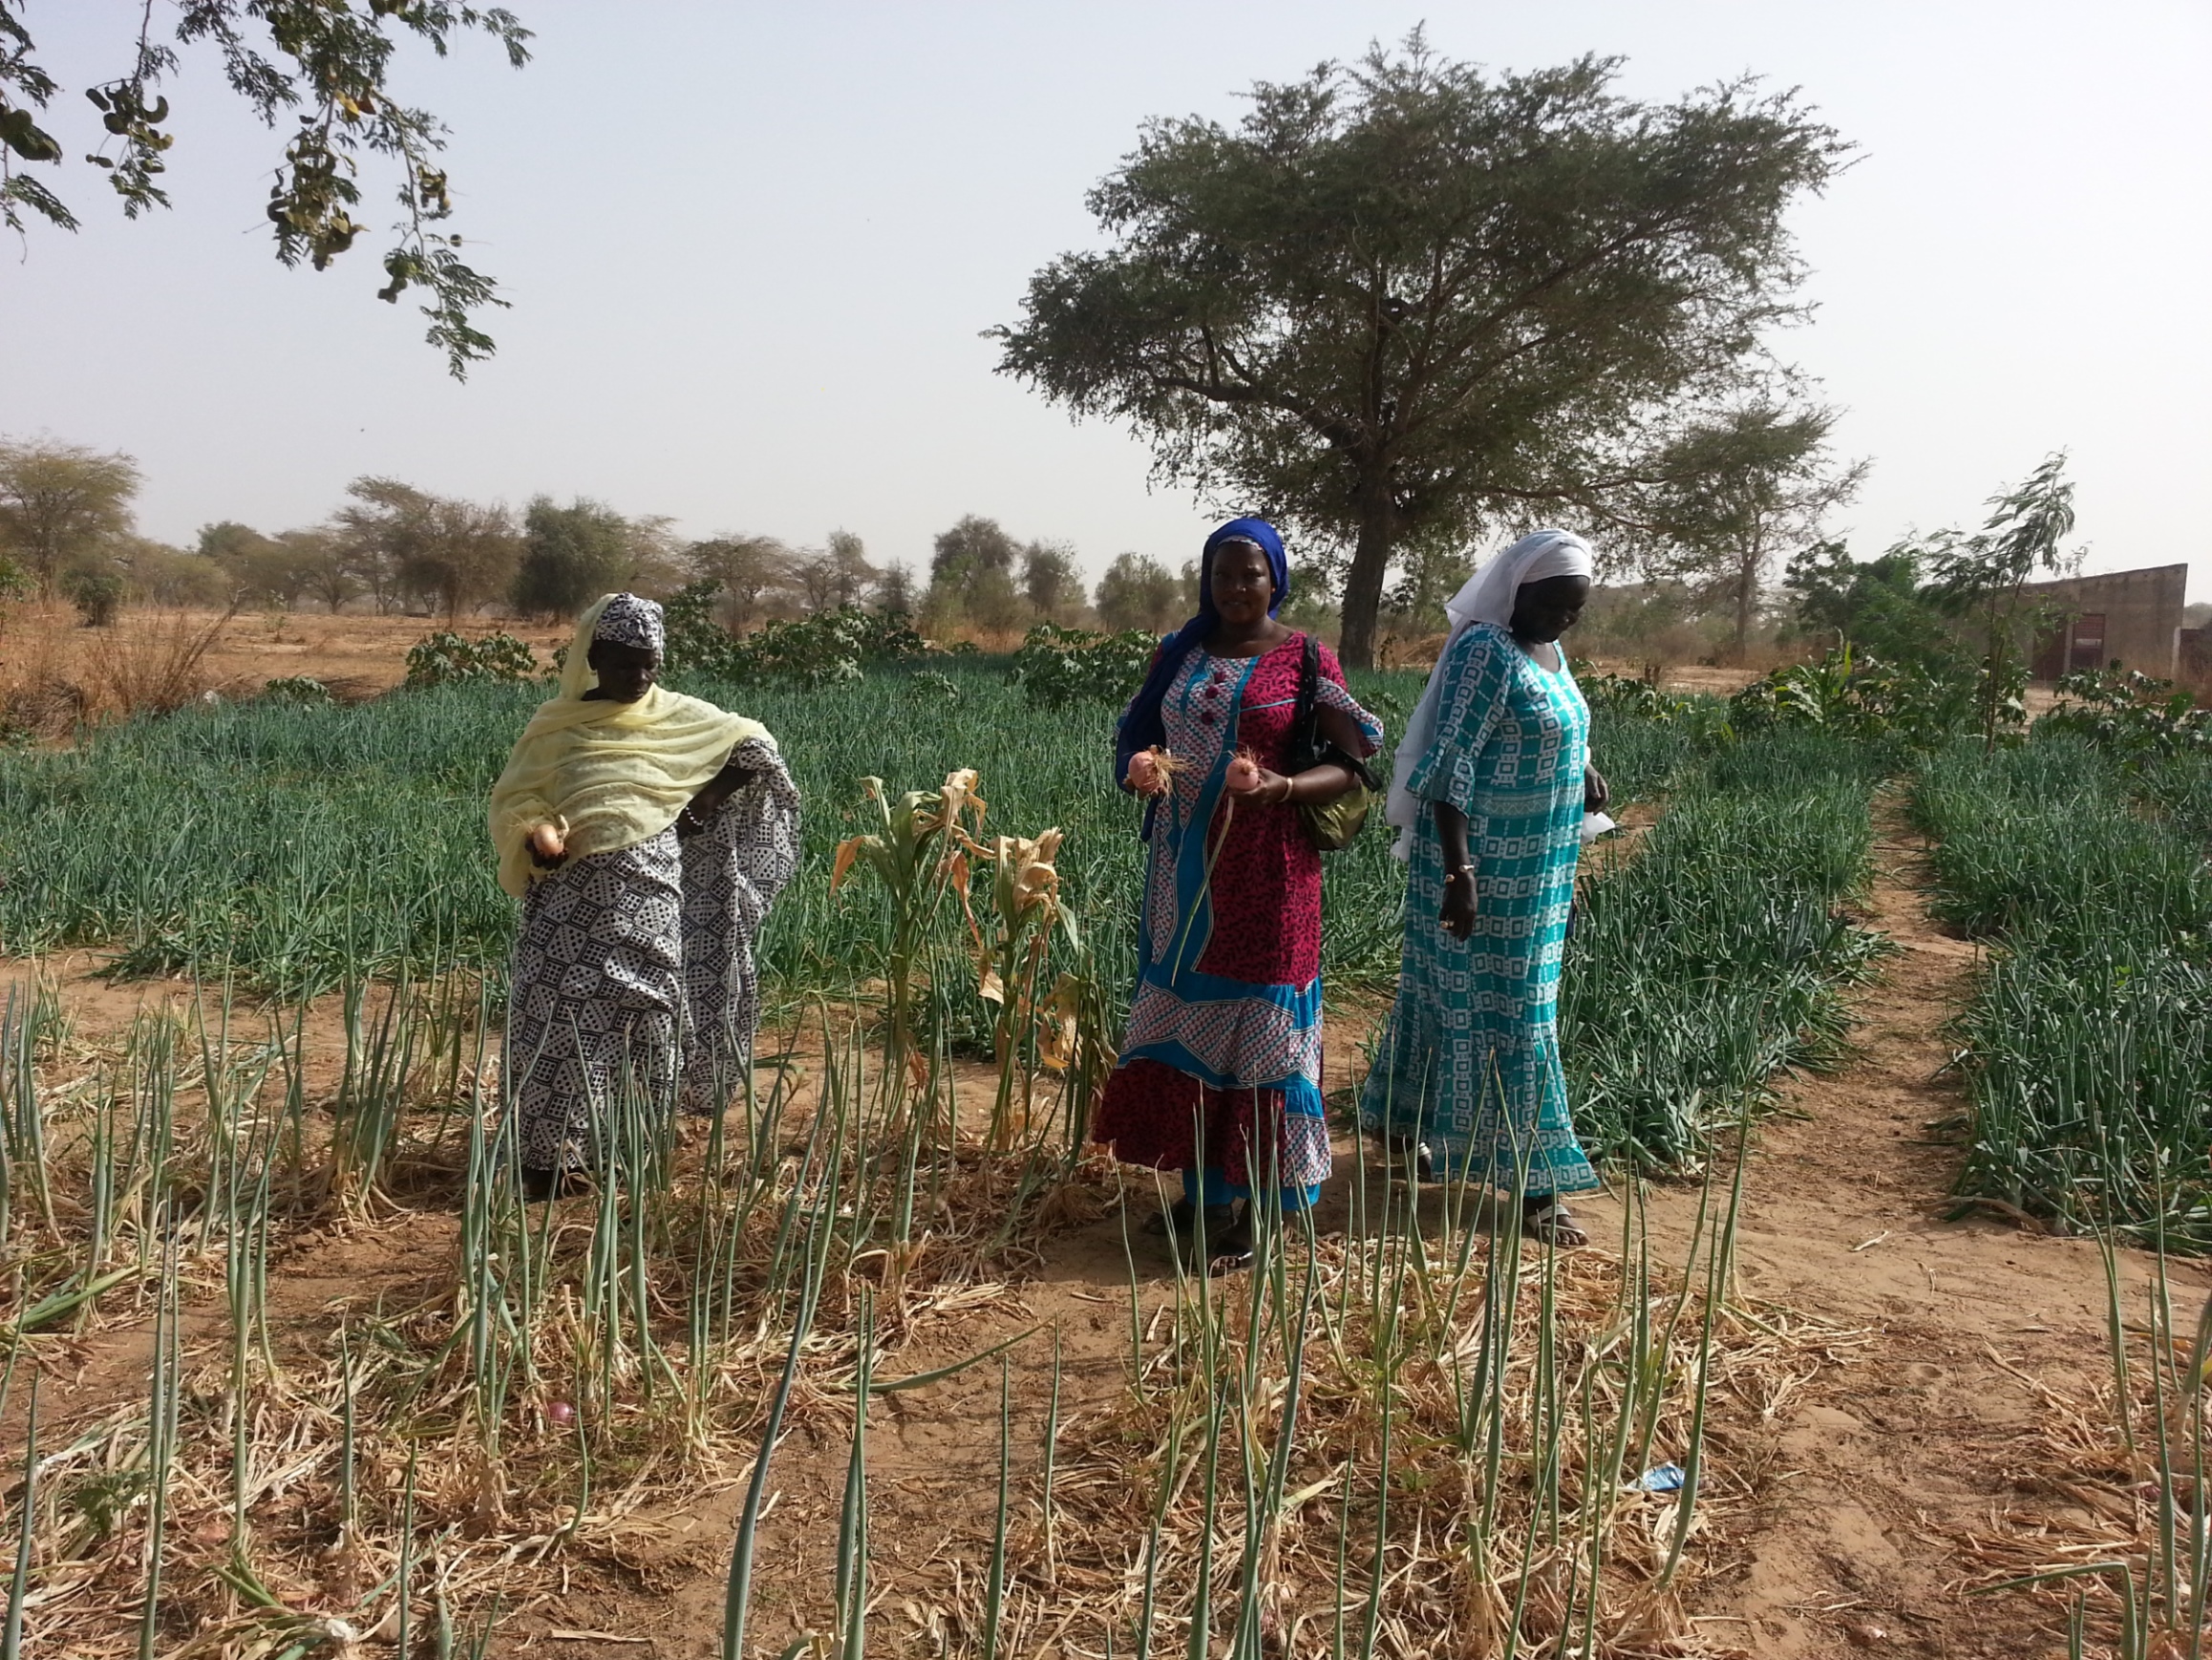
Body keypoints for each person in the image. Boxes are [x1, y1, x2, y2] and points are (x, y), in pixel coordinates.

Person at [1092, 519, 1383, 1268]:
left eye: (1251, 575)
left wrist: (1282, 786)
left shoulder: (1306, 658)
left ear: (1275, 579)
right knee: (1190, 1019)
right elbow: (1140, 736)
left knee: (1261, 1029)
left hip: (1270, 874)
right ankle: (1202, 1196)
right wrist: (1144, 768)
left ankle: (1256, 1213)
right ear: (1206, 581)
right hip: (1183, 870)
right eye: (1223, 575)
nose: (1236, 589)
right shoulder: (1179, 653)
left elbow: (1354, 768)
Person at [486, 593, 799, 1197]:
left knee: (647, 1018)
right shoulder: (557, 727)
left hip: (648, 903)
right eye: (626, 662)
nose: (640, 676)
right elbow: (517, 801)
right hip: (568, 908)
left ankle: (625, 1155)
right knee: (556, 1022)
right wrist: (535, 836)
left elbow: (756, 748)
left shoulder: (679, 717)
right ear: (594, 658)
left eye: (650, 662)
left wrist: (705, 802)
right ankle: (547, 1165)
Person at [1359, 531, 1609, 1246]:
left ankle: (1400, 1125)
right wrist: (1459, 873)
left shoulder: (1547, 652)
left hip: (1540, 870)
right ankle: (1534, 1185)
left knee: (1447, 996)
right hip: (1481, 866)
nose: (1567, 619)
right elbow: (1451, 763)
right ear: (1518, 590)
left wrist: (1582, 765)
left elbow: (1546, 726)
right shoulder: (1483, 651)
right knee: (1512, 1015)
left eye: (1577, 609)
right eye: (1557, 605)